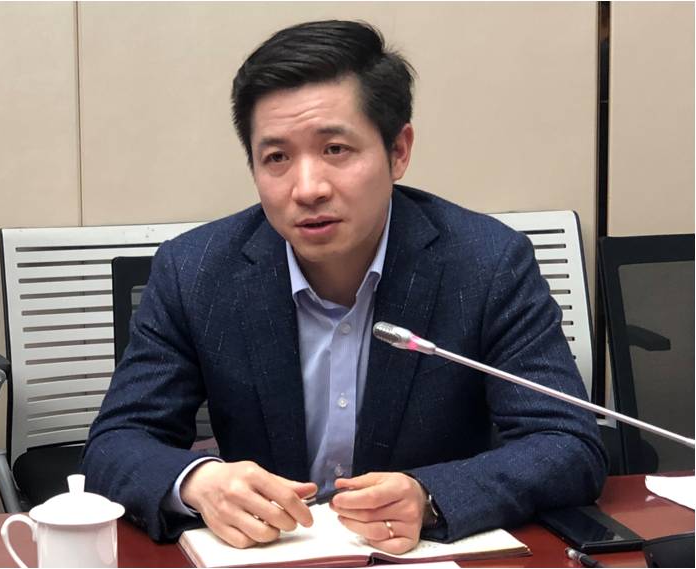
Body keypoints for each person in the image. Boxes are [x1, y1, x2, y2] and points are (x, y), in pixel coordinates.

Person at [82, 20, 607, 554]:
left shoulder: (487, 264)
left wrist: (431, 496)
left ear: (398, 151)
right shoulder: (194, 272)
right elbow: (116, 443)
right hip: (265, 556)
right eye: (277, 158)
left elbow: (566, 442)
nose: (308, 188)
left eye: (335, 149)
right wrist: (199, 482)